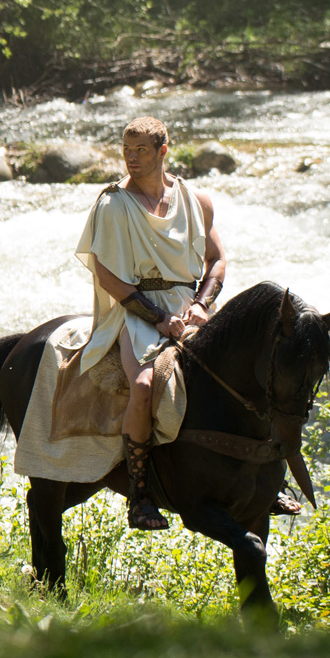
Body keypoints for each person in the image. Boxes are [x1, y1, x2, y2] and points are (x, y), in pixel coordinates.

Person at [74, 117, 226, 530]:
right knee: (143, 386)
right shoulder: (113, 203)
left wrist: (202, 304)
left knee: (239, 369)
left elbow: (217, 261)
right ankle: (140, 496)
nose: (131, 158)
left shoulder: (196, 200)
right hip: (134, 309)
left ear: (163, 151)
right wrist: (158, 319)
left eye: (141, 150)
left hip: (188, 305)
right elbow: (107, 276)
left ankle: (270, 478)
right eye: (126, 149)